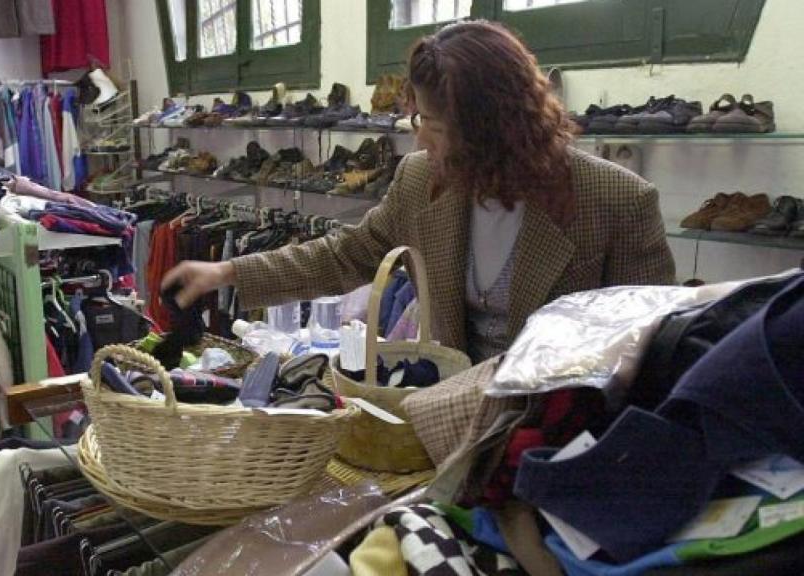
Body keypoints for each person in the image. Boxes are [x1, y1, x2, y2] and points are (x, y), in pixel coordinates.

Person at [163, 20, 675, 365]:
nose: (418, 135)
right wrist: (227, 270)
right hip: (449, 414)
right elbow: (346, 256)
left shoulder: (615, 202)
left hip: (558, 433)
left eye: (431, 122)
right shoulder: (421, 181)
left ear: (490, 128)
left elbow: (650, 348)